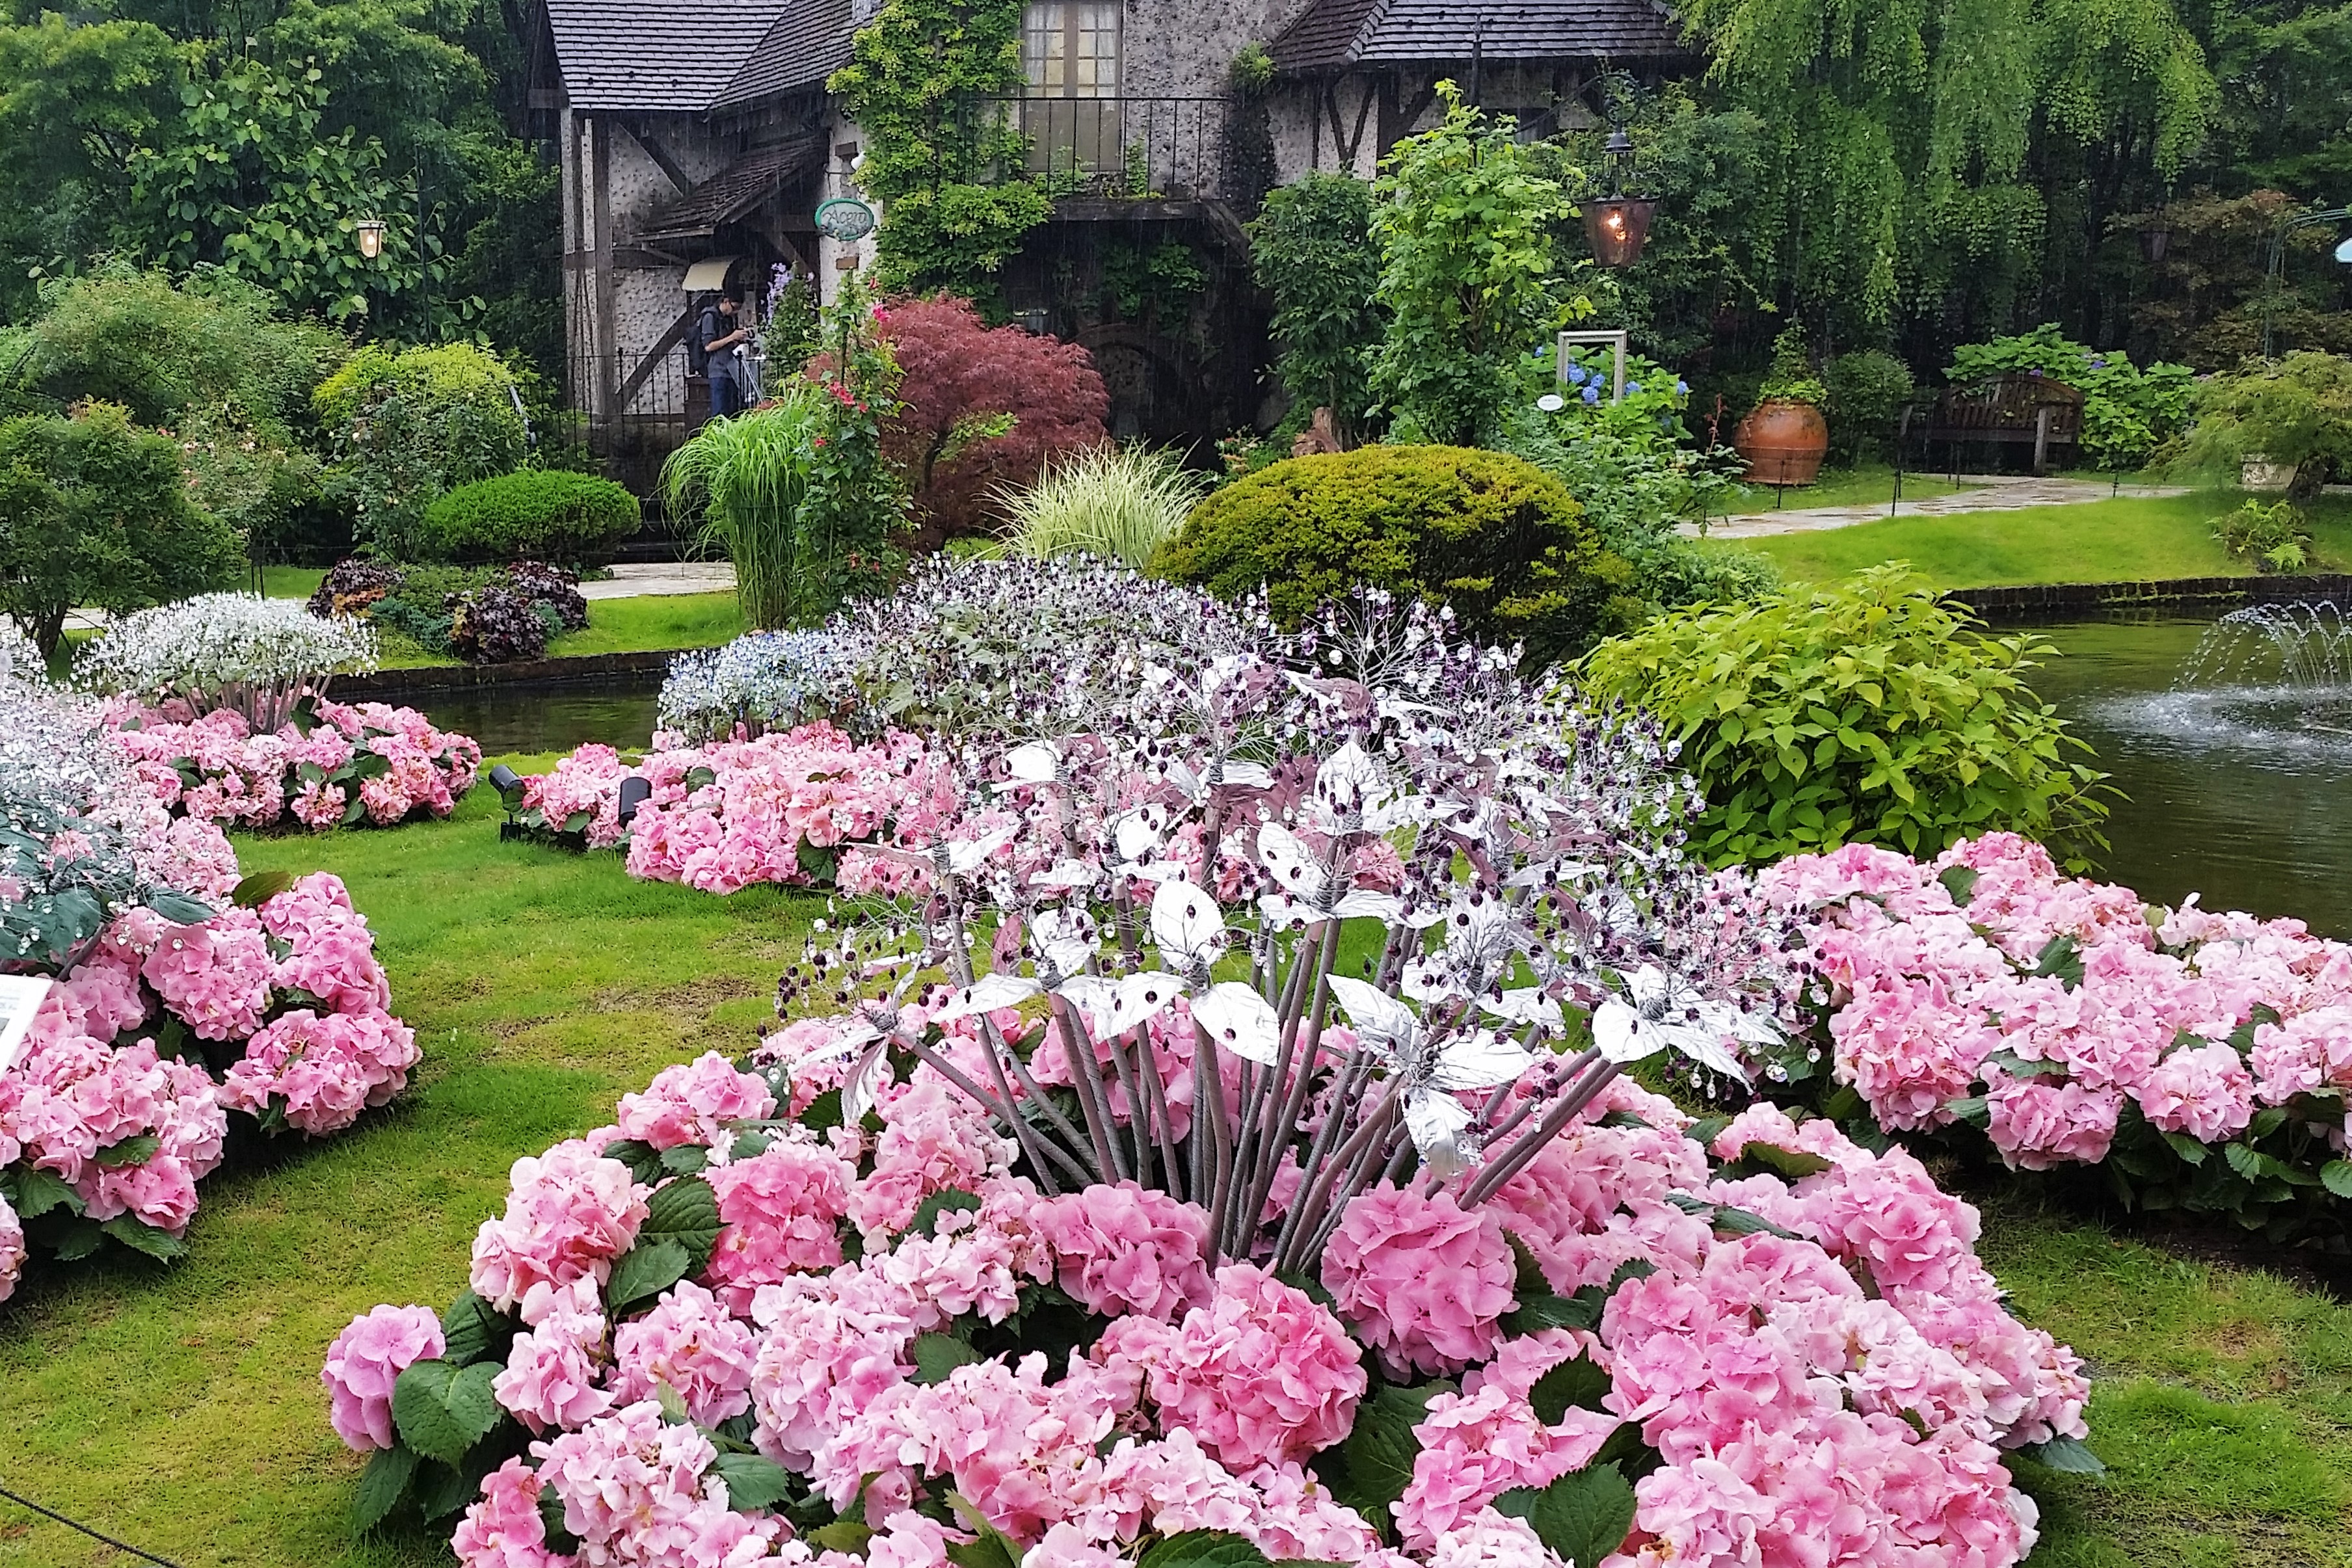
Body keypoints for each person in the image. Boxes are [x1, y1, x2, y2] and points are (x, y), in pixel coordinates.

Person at [698, 291, 754, 418]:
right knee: (720, 414)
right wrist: (732, 337)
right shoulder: (710, 317)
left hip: (731, 369)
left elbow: (726, 342)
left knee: (733, 412)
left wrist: (739, 338)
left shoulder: (727, 319)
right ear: (726, 302)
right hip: (718, 370)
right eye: (735, 308)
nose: (736, 312)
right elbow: (708, 346)